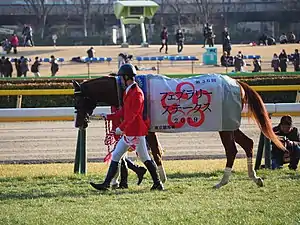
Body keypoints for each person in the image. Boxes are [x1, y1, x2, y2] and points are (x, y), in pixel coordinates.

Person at [90, 64, 164, 191]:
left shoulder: (137, 93)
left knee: (120, 155)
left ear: (126, 77)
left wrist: (122, 128)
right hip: (132, 131)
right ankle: (157, 183)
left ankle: (107, 184)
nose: (120, 81)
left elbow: (133, 115)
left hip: (134, 131)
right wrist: (108, 116)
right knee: (134, 156)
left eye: (121, 78)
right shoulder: (129, 92)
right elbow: (124, 112)